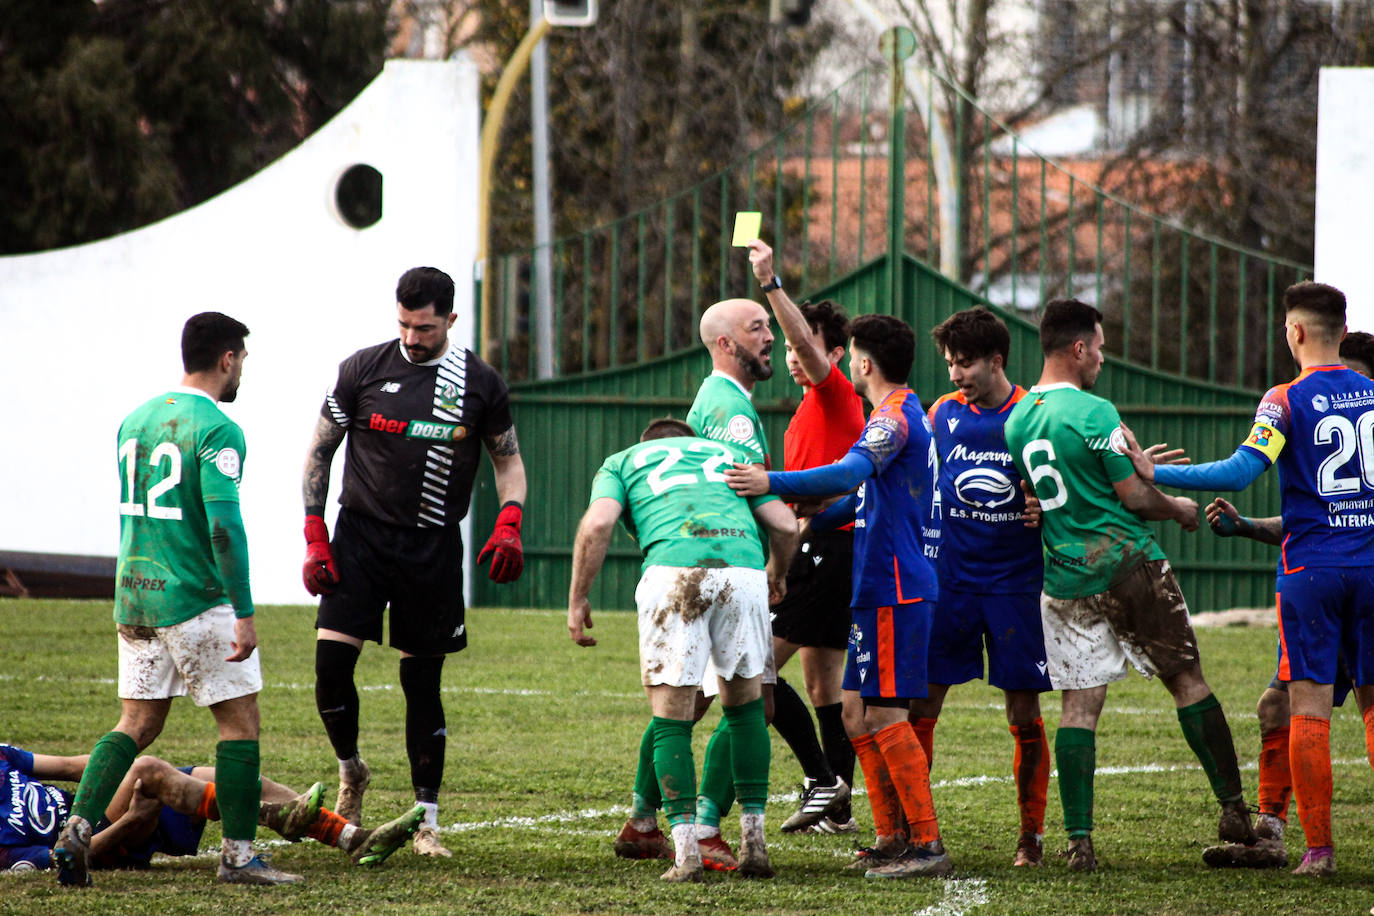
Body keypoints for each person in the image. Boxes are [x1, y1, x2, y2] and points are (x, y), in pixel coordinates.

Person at [1120, 282, 1374, 877]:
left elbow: (1239, 472)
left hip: (1312, 571)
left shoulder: (1284, 398)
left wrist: (1156, 470)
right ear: (1342, 330)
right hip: (1370, 567)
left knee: (1306, 709)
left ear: (1295, 332)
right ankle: (1282, 834)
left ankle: (1318, 852)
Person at [1002, 297, 1257, 873]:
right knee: (1187, 680)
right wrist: (1179, 507)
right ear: (1078, 348)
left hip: (1065, 576)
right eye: (1099, 348)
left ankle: (1079, 842)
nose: (1102, 358)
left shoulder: (1016, 420)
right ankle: (1234, 811)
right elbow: (1135, 497)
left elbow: (1052, 493)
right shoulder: (1095, 412)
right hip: (1127, 564)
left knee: (1078, 707)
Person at [53, 313, 296, 887]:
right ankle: (239, 858)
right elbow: (223, 527)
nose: (242, 372)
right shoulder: (218, 429)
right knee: (239, 725)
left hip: (136, 595)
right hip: (194, 598)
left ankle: (77, 830)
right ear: (228, 359)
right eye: (243, 361)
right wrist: (244, 611)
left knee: (136, 722)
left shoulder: (134, 421)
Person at [300, 266, 528, 858]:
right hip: (359, 538)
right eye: (403, 324)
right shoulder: (362, 369)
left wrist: (509, 521)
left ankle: (426, 821)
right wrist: (314, 532)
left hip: (431, 547)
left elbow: (508, 462)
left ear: (450, 319)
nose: (411, 337)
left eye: (424, 328)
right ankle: (351, 771)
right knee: (330, 668)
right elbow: (320, 451)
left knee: (421, 684)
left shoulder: (480, 383)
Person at [726, 314, 953, 880]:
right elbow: (867, 495)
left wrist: (772, 482)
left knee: (885, 713)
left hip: (896, 587)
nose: (848, 363)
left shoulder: (894, 417)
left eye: (851, 355)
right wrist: (819, 516)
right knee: (854, 713)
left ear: (865, 363)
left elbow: (851, 471)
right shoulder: (897, 413)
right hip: (876, 586)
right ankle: (890, 836)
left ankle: (927, 843)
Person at [568, 418, 799, 882]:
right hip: (743, 572)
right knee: (747, 711)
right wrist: (776, 572)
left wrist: (578, 597)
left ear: (647, 444)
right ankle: (754, 844)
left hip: (674, 573)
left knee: (672, 717)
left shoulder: (623, 461)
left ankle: (686, 854)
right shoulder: (726, 455)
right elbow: (786, 525)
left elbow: (598, 523)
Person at [614, 296, 778, 872]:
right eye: (758, 328)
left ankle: (644, 820)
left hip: (709, 567)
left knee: (689, 701)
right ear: (725, 343)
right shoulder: (730, 408)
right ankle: (704, 828)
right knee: (732, 701)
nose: (772, 338)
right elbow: (748, 490)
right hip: (733, 563)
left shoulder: (722, 398)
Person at [922, 306, 1052, 867]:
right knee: (922, 704)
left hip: (1014, 586)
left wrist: (1044, 507)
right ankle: (916, 829)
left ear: (996, 361)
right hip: (951, 583)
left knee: (1022, 713)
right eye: (951, 363)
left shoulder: (1032, 415)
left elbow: (1065, 490)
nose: (956, 375)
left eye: (965, 363)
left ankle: (1031, 835)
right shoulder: (941, 413)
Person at [747, 240, 865, 834]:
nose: (794, 355)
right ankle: (837, 806)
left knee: (755, 668)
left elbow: (804, 346)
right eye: (790, 348)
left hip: (830, 548)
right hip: (823, 548)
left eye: (805, 346)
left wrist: (770, 283)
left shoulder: (834, 393)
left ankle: (822, 781)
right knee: (822, 682)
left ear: (835, 354)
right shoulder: (804, 411)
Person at [2, 744, 423, 873]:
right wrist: (131, 820)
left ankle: (353, 838)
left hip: (100, 808)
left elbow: (71, 767)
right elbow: (64, 860)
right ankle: (275, 818)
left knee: (234, 779)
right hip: (108, 835)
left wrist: (119, 768)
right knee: (148, 770)